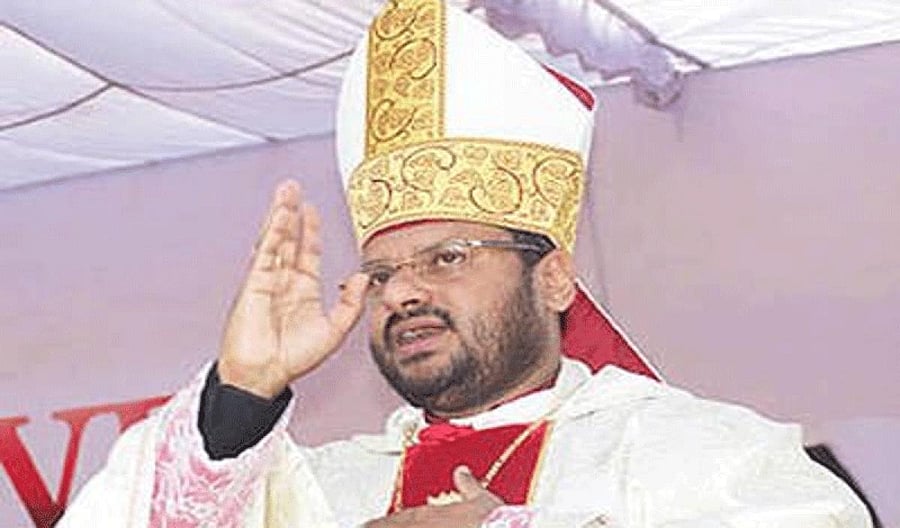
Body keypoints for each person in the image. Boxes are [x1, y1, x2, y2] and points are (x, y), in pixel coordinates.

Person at [60, 1, 872, 527]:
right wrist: (241, 394)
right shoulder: (326, 491)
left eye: (447, 256)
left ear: (552, 277)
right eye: (380, 274)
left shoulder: (699, 455)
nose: (402, 292)